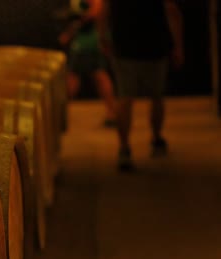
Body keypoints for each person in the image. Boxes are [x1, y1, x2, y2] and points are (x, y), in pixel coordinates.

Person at [98, 0, 184, 171]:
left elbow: (104, 11)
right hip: (155, 44)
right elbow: (171, 11)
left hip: (124, 45)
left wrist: (103, 37)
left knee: (124, 97)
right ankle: (157, 139)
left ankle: (124, 148)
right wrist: (177, 46)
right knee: (157, 96)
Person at [58, 0, 117, 127]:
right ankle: (112, 113)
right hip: (87, 41)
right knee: (98, 75)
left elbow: (96, 12)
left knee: (74, 77)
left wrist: (72, 30)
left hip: (87, 43)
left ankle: (59, 116)